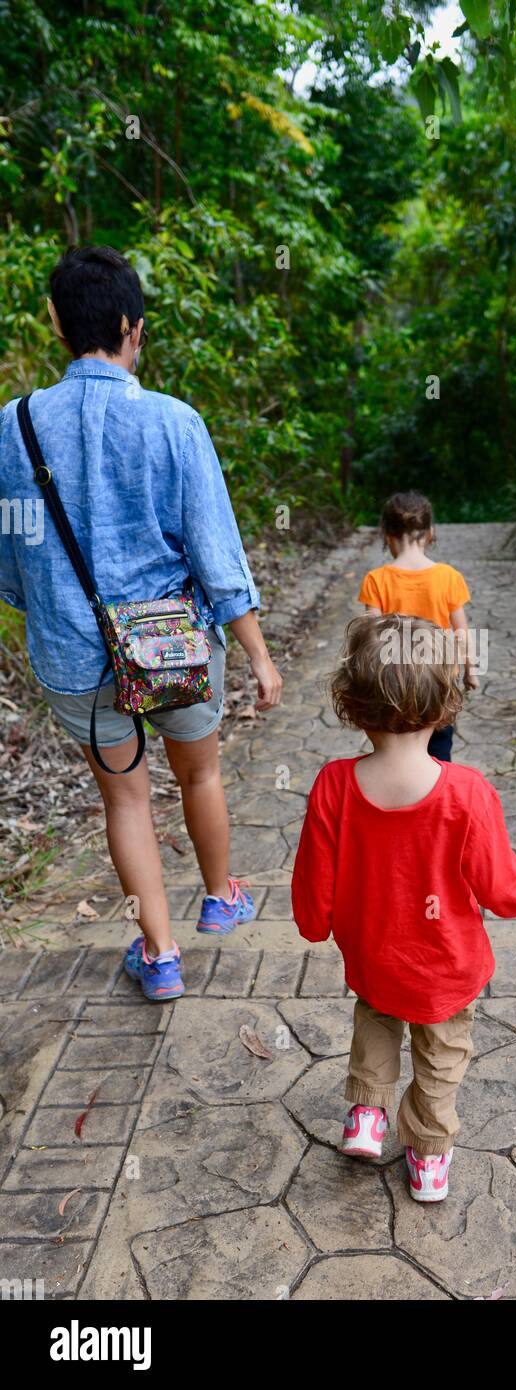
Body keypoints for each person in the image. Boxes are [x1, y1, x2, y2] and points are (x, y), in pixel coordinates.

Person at [0, 246, 283, 1000]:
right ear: (133, 326)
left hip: (73, 655)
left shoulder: (14, 424)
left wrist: (54, 614)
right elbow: (216, 554)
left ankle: (159, 956)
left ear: (56, 322)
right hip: (175, 649)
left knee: (125, 799)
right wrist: (258, 654)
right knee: (202, 772)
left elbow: (12, 549)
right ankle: (221, 897)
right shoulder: (172, 421)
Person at [291, 613, 516, 1202]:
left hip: (376, 956)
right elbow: (500, 889)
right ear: (444, 706)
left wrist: (314, 923)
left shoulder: (334, 784)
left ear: (351, 706)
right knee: (441, 1057)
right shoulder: (467, 792)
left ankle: (366, 1116)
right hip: (447, 967)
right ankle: (428, 1159)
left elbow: (313, 885)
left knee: (376, 1022)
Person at [357, 489, 477, 761]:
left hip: (393, 682)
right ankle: (435, 793)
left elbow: (370, 636)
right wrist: (470, 670)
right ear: (430, 533)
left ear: (387, 535)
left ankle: (397, 791)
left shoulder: (376, 580)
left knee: (393, 743)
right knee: (438, 745)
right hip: (438, 678)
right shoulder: (449, 577)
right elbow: (462, 632)